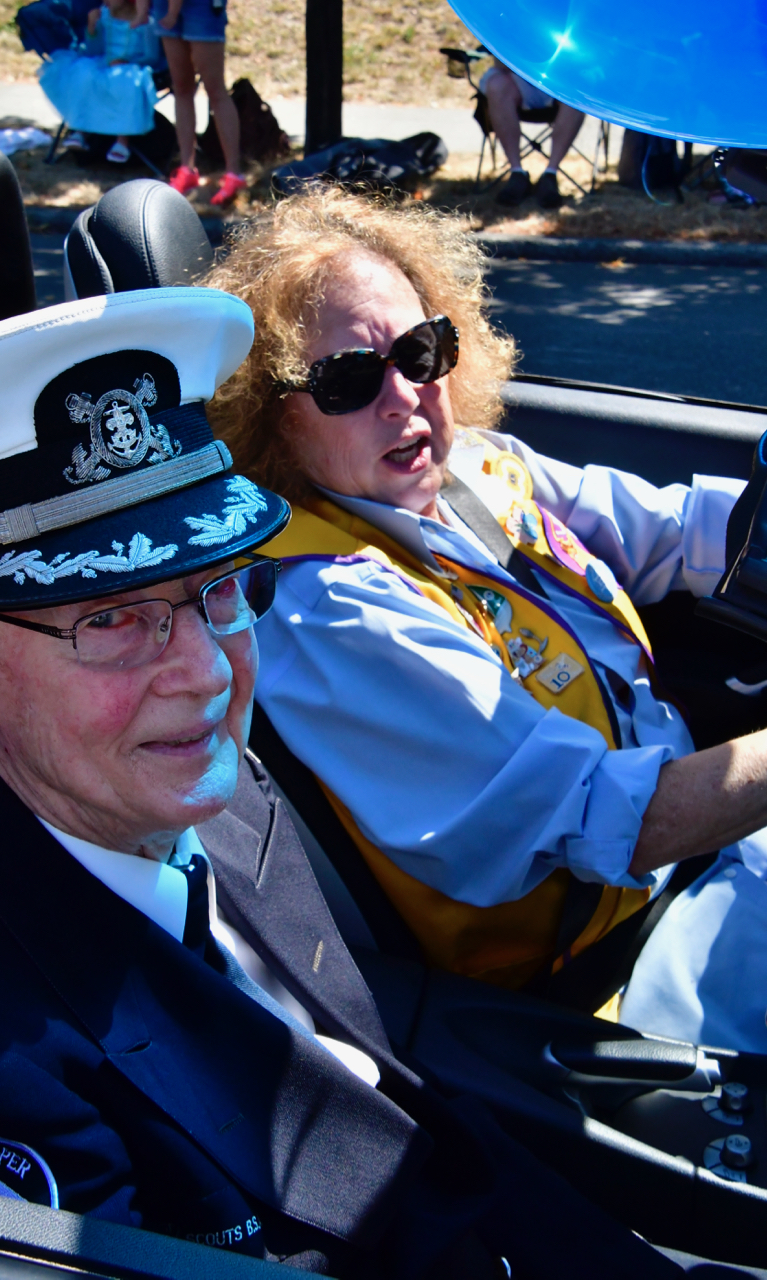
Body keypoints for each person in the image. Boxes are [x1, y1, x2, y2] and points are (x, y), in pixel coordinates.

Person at [0, 285, 699, 1279]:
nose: (205, 671)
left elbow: (394, 1104)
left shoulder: (212, 793)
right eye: (111, 619)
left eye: (220, 587)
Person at [203, 186, 767, 1054]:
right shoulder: (326, 611)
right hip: (592, 988)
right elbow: (608, 821)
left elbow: (675, 535)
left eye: (420, 351)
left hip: (686, 872)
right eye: (349, 380)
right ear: (270, 414)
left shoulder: (471, 469)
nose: (403, 397)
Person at [131, 0, 245, 204]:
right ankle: (187, 169)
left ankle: (233, 174)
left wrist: (173, 13)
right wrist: (142, 11)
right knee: (181, 87)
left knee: (215, 89)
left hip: (201, 6)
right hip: (164, 5)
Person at [39, 0, 160, 165]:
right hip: (104, 62)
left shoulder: (146, 22)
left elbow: (152, 56)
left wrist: (128, 61)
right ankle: (79, 131)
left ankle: (122, 141)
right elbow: (93, 51)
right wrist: (91, 29)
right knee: (83, 72)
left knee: (125, 81)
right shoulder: (104, 16)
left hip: (131, 66)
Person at [480, 61, 585, 209]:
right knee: (496, 84)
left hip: (561, 78)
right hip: (516, 76)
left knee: (580, 87)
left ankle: (551, 174)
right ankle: (516, 172)